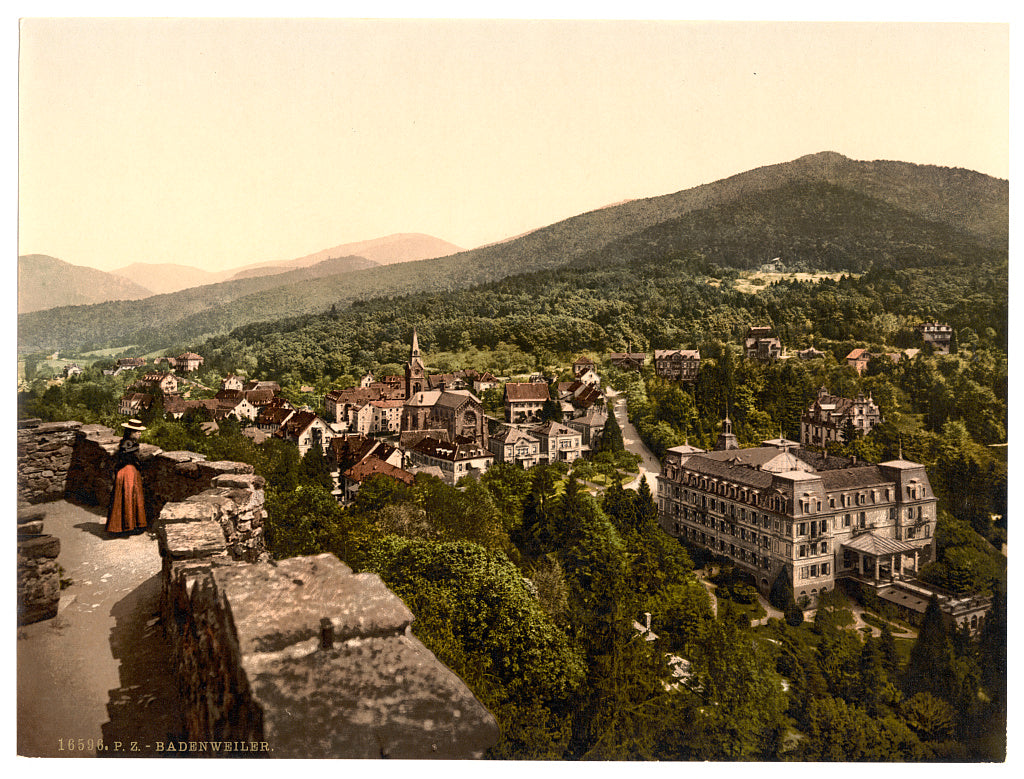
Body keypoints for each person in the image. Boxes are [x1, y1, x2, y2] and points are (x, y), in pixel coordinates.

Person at [106, 418, 148, 534]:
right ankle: (129, 526)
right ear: (131, 432)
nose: (139, 434)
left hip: (125, 472)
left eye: (139, 432)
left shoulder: (125, 442)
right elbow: (132, 455)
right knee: (129, 497)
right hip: (128, 472)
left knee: (125, 498)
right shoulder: (128, 443)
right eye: (137, 432)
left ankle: (126, 525)